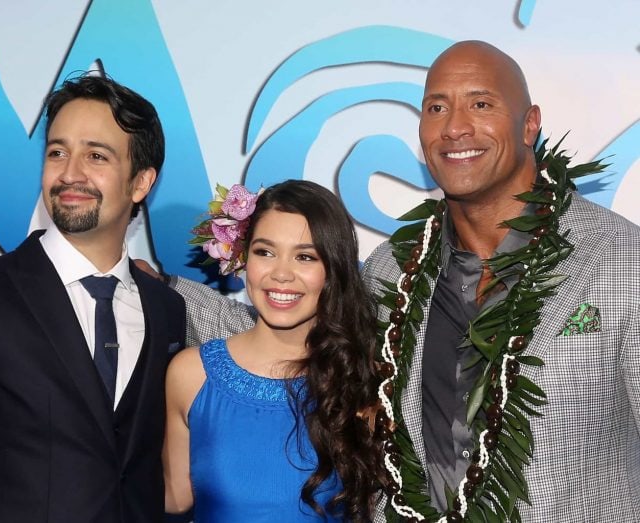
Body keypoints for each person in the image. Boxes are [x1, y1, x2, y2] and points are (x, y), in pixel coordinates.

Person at [152, 41, 640, 521]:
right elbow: (298, 325)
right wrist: (156, 286)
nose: (455, 127)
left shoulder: (617, 261)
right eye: (437, 107)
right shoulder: (394, 270)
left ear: (530, 123)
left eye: (482, 103)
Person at [0, 74, 186, 522]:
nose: (69, 173)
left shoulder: (166, 309)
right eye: (57, 152)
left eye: (95, 155)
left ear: (141, 182)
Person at [162, 180, 385, 522]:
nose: (281, 274)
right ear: (243, 258)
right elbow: (172, 499)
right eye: (265, 252)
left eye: (305, 257)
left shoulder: (362, 379)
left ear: (333, 271)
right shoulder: (190, 374)